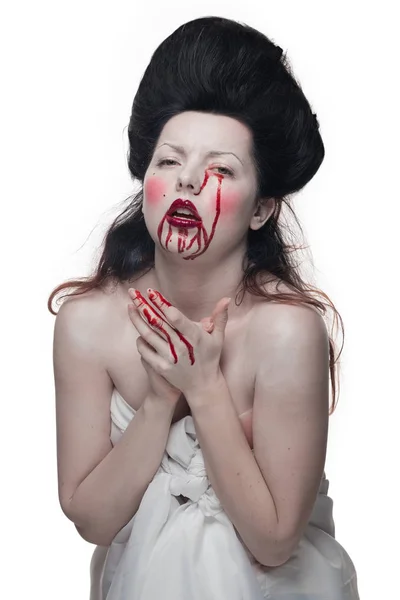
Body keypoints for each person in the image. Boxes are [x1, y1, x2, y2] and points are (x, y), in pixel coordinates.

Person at [48, 15, 360, 599]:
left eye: (220, 169)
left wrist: (205, 386)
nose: (188, 181)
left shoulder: (289, 331)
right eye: (169, 162)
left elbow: (272, 540)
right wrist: (162, 399)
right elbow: (92, 520)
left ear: (262, 208)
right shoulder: (87, 323)